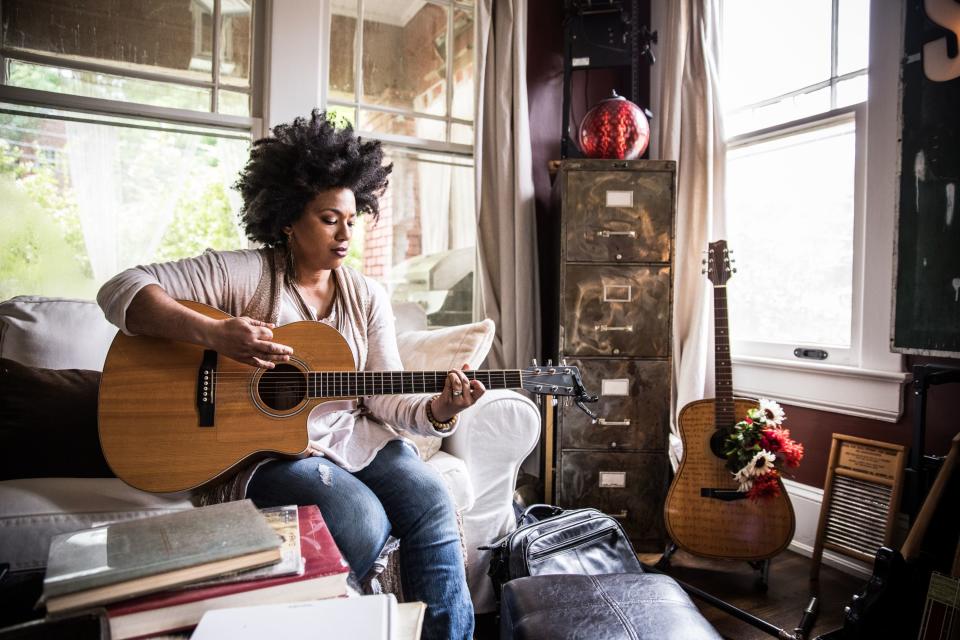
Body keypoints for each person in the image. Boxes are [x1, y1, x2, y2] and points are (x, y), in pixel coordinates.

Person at [97, 110, 480, 640]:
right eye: (328, 219)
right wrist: (215, 335)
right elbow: (120, 289)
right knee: (358, 517)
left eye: (352, 218)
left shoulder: (366, 296)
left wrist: (441, 410)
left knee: (432, 496)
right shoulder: (247, 274)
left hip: (353, 440)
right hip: (266, 452)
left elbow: (385, 395)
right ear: (286, 219)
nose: (346, 234)